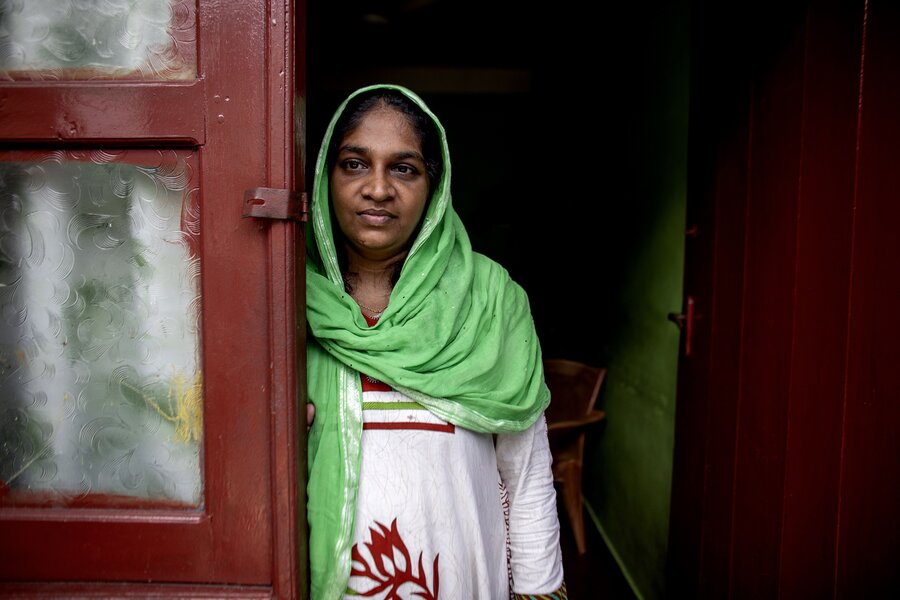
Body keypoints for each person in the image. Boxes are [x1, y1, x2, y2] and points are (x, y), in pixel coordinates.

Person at [305, 84, 567, 599]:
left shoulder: (489, 298)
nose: (377, 189)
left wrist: (538, 590)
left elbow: (527, 469)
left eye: (403, 168)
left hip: (463, 577)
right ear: (324, 178)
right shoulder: (286, 298)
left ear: (435, 185)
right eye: (355, 164)